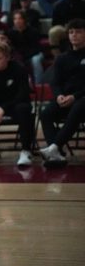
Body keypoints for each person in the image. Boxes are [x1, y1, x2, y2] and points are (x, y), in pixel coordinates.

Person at [40, 18, 85, 167]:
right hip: (65, 99)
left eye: (78, 32)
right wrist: (59, 95)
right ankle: (56, 155)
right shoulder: (62, 58)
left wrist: (74, 96)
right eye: (71, 32)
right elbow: (55, 82)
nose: (74, 35)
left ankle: (54, 147)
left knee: (80, 105)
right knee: (46, 113)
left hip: (81, 99)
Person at [8, 10, 44, 84]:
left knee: (35, 60)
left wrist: (25, 56)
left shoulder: (33, 31)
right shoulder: (10, 33)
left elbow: (36, 48)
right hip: (20, 55)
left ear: (24, 20)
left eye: (19, 18)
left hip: (35, 53)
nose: (17, 21)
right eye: (15, 19)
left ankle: (38, 84)